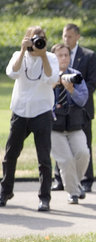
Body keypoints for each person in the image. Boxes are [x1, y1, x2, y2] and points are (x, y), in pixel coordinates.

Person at [0, 26, 59, 211]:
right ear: (26, 39)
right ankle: (5, 191)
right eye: (34, 38)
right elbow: (12, 72)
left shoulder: (50, 57)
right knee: (10, 155)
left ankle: (44, 198)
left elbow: (52, 78)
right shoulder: (19, 54)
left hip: (41, 111)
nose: (37, 42)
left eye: (41, 39)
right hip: (20, 111)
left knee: (43, 158)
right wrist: (23, 50)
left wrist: (42, 55)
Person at [52, 23, 96, 193]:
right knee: (63, 156)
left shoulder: (88, 56)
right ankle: (65, 185)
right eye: (65, 36)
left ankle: (81, 181)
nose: (67, 39)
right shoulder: (50, 71)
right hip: (56, 120)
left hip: (79, 115)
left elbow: (90, 85)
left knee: (84, 150)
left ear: (77, 36)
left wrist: (73, 91)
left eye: (70, 36)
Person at [50, 44, 90, 205]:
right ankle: (73, 192)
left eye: (66, 55)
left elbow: (82, 100)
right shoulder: (48, 76)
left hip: (73, 124)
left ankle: (75, 184)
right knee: (65, 160)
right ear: (53, 58)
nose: (64, 58)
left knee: (83, 153)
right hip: (54, 126)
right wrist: (53, 85)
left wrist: (71, 90)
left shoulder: (75, 75)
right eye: (60, 55)